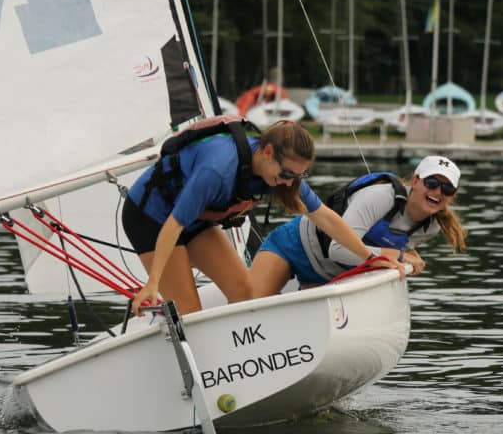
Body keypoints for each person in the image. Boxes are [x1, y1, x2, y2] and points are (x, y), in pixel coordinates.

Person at [121, 119, 401, 316]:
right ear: (267, 152)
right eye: (288, 174)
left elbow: (324, 217)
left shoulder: (278, 173)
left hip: (194, 219)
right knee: (189, 310)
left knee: (246, 293)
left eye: (299, 176)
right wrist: (153, 283)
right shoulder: (218, 169)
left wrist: (369, 257)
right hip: (152, 217)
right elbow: (173, 226)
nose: (290, 183)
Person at [250, 155, 467, 297]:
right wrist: (398, 257)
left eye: (447, 189)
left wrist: (407, 252)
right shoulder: (380, 197)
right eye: (432, 183)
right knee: (248, 304)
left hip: (329, 275)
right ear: (416, 181)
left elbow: (390, 241)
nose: (438, 192)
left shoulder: (431, 228)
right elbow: (338, 250)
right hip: (294, 246)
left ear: (453, 196)